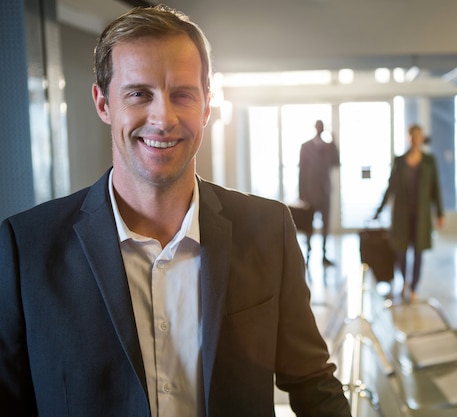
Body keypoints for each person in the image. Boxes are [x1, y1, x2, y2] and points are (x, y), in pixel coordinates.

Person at [0, 6, 351, 416]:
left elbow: (311, 381)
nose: (163, 117)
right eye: (139, 94)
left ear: (205, 107)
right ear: (103, 103)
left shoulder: (268, 229)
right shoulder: (27, 247)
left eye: (182, 94)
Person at [374, 124, 444, 301]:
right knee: (401, 250)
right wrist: (379, 210)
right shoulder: (400, 161)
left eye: (418, 136)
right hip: (402, 214)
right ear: (408, 138)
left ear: (421, 138)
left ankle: (414, 287)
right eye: (412, 137)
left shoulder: (429, 161)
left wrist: (440, 213)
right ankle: (405, 281)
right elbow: (391, 187)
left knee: (418, 251)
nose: (415, 140)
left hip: (421, 215)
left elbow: (435, 188)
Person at [298, 120, 340, 266]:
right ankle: (308, 255)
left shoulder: (328, 147)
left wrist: (334, 143)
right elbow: (301, 170)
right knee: (308, 225)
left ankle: (324, 254)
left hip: (325, 192)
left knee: (325, 225)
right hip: (310, 193)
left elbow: (336, 163)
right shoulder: (306, 147)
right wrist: (301, 192)